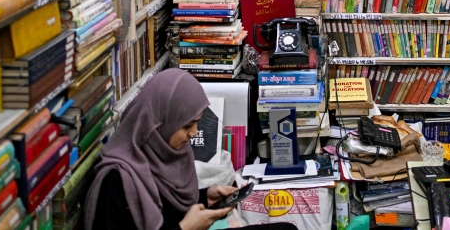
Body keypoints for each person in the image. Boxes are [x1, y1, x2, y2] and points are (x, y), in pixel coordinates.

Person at [84, 69, 295, 230]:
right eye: (186, 125)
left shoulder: (167, 157)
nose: (194, 133)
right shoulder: (117, 180)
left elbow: (170, 209)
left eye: (197, 123)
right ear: (159, 123)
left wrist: (205, 198)